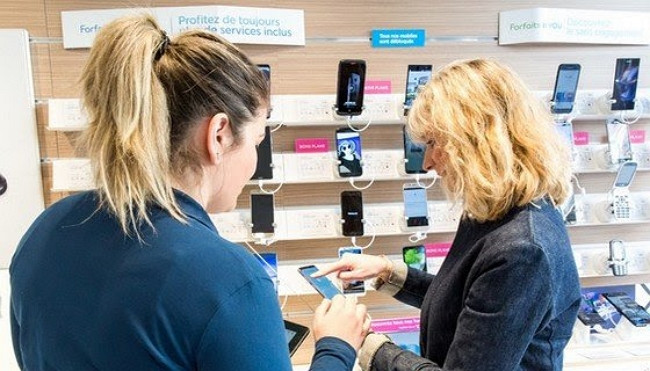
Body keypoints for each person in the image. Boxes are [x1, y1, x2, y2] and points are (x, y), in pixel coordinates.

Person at [10, 14, 368, 370]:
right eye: (257, 139)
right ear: (219, 136)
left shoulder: (46, 229)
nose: (254, 159)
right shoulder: (229, 280)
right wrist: (336, 348)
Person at [316, 58, 581, 371]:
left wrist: (366, 344)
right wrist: (388, 272)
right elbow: (470, 304)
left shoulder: (523, 250)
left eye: (433, 142)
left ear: (475, 140)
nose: (427, 162)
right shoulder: (496, 213)